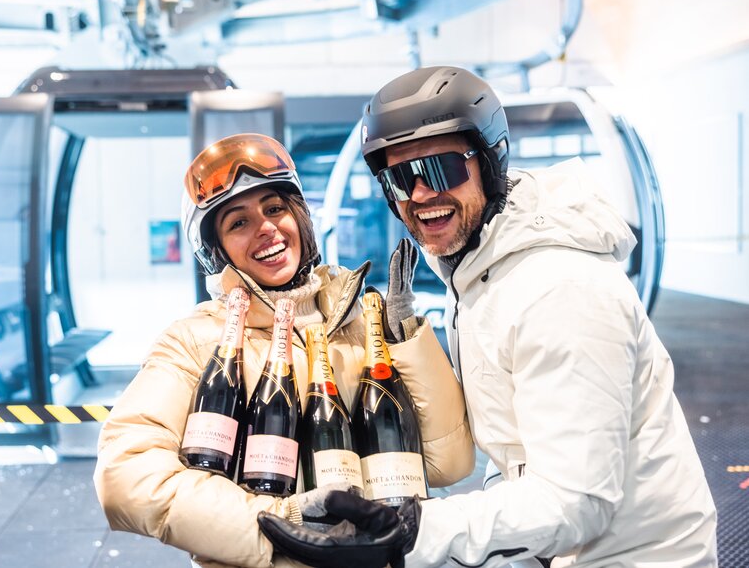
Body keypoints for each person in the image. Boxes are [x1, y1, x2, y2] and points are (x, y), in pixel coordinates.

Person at [257, 67, 718, 567]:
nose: (418, 195)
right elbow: (512, 449)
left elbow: (576, 500)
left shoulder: (560, 291)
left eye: (441, 170)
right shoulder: (479, 273)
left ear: (492, 161)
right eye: (399, 178)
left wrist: (414, 531)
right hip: (556, 549)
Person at [93, 132, 474, 568]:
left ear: (300, 218)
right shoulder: (196, 342)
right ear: (216, 251)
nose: (266, 228)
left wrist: (405, 336)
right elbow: (125, 476)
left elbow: (450, 462)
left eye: (274, 208)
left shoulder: (359, 324)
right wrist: (280, 525)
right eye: (238, 222)